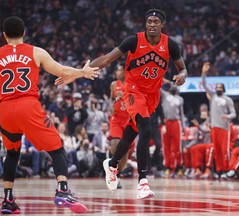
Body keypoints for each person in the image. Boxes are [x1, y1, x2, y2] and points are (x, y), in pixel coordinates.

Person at [0, 16, 99, 214]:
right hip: (27, 106)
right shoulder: (35, 52)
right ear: (24, 33)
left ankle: (7, 199)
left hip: (5, 110)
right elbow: (61, 70)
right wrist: (82, 72)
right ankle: (63, 191)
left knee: (12, 153)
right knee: (57, 148)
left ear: (4, 36)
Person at [58, 9, 187, 199]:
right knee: (146, 129)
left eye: (155, 21)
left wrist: (181, 76)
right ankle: (142, 182)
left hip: (152, 95)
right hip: (133, 90)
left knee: (131, 134)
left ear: (162, 25)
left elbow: (183, 68)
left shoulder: (171, 45)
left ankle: (111, 165)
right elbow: (108, 58)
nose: (151, 24)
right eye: (149, 21)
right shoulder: (133, 40)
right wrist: (78, 72)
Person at [201, 62, 236, 179]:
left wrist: (228, 116)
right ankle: (220, 170)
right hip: (214, 128)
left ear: (223, 89)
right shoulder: (213, 97)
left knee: (225, 150)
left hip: (224, 128)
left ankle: (228, 170)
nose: (218, 89)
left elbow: (234, 113)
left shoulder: (228, 100)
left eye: (220, 88)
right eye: (216, 88)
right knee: (217, 151)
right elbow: (205, 85)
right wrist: (203, 73)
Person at [108, 62, 131, 188]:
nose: (117, 72)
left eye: (119, 70)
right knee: (115, 144)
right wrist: (111, 107)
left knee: (125, 151)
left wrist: (126, 97)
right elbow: (111, 100)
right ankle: (110, 162)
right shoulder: (113, 85)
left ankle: (117, 176)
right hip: (116, 119)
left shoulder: (132, 84)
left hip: (129, 120)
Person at [161, 83, 185, 178]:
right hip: (166, 122)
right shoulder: (165, 95)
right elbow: (158, 87)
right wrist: (166, 81)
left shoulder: (180, 99)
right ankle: (168, 167)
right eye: (171, 86)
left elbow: (182, 113)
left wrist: (183, 127)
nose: (173, 87)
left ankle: (179, 166)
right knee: (166, 146)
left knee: (177, 146)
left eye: (175, 86)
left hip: (176, 122)